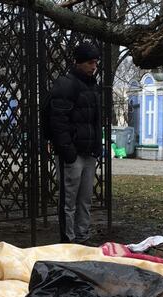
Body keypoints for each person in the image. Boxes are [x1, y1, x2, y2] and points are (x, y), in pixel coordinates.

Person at [49, 42, 103, 244]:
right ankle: (69, 240)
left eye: (95, 62)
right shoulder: (66, 85)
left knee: (85, 199)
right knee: (68, 201)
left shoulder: (92, 85)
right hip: (72, 154)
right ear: (79, 62)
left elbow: (95, 119)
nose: (93, 66)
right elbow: (58, 121)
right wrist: (67, 151)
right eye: (90, 62)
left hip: (87, 152)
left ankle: (82, 236)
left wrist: (97, 145)